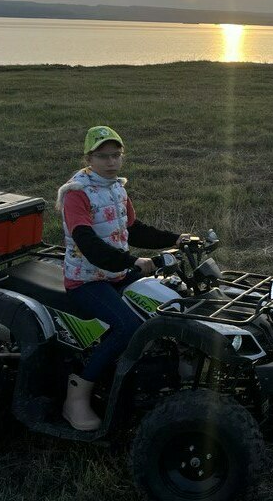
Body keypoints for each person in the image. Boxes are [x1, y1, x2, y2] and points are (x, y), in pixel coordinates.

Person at [56, 125, 186, 431]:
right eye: (103, 156)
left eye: (116, 155)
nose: (111, 162)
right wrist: (133, 262)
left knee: (168, 303)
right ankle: (76, 397)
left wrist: (177, 238)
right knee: (128, 327)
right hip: (86, 280)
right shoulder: (76, 194)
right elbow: (87, 242)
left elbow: (134, 229)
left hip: (115, 273)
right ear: (89, 157)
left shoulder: (116, 187)